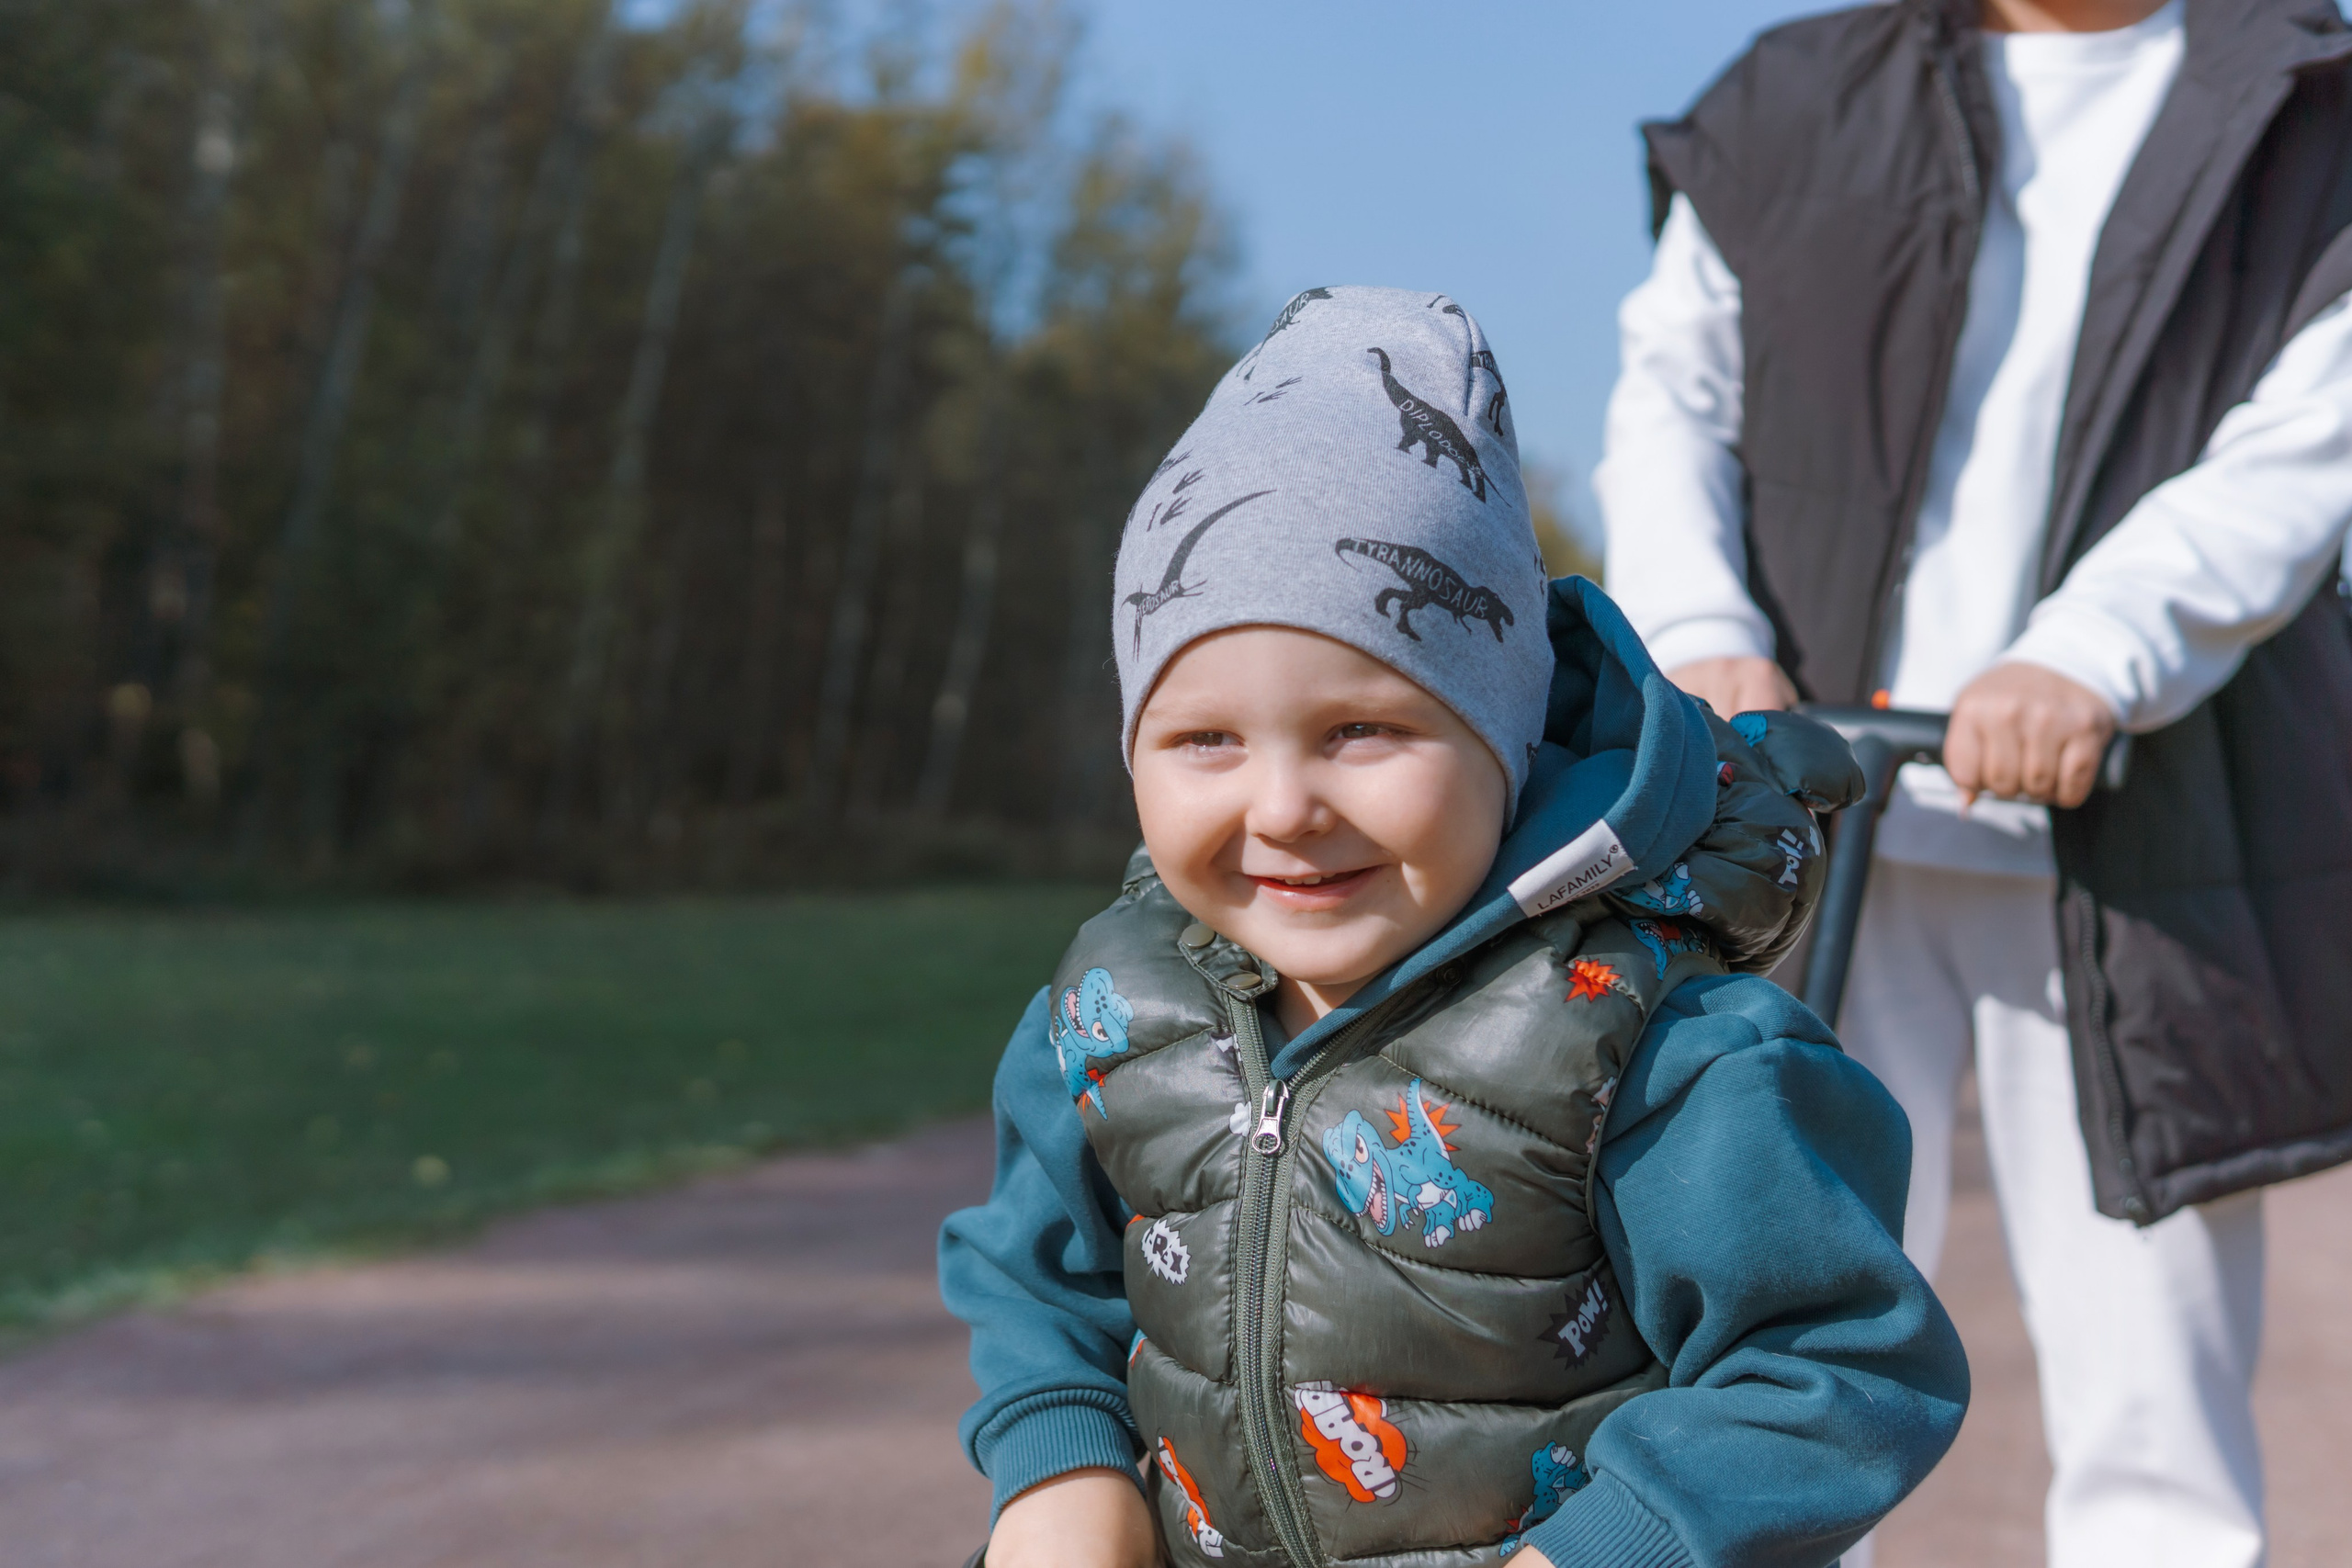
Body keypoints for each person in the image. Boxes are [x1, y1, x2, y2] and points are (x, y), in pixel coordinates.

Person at [939, 287, 1967, 1568]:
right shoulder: (1111, 1006)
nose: (1283, 807)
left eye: (1359, 731)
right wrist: (1061, 1477)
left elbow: (1834, 1362)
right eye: (1205, 739)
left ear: (1506, 736)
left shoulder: (1655, 1040)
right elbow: (1041, 1283)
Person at [1599, 2, 2352, 1565]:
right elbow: (1675, 384)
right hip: (1797, 812)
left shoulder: (2307, 100)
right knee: (1775, 1332)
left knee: (2153, 1387)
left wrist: (2095, 652)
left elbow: (2312, 434)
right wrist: (1697, 634)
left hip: (2147, 839)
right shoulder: (1800, 89)